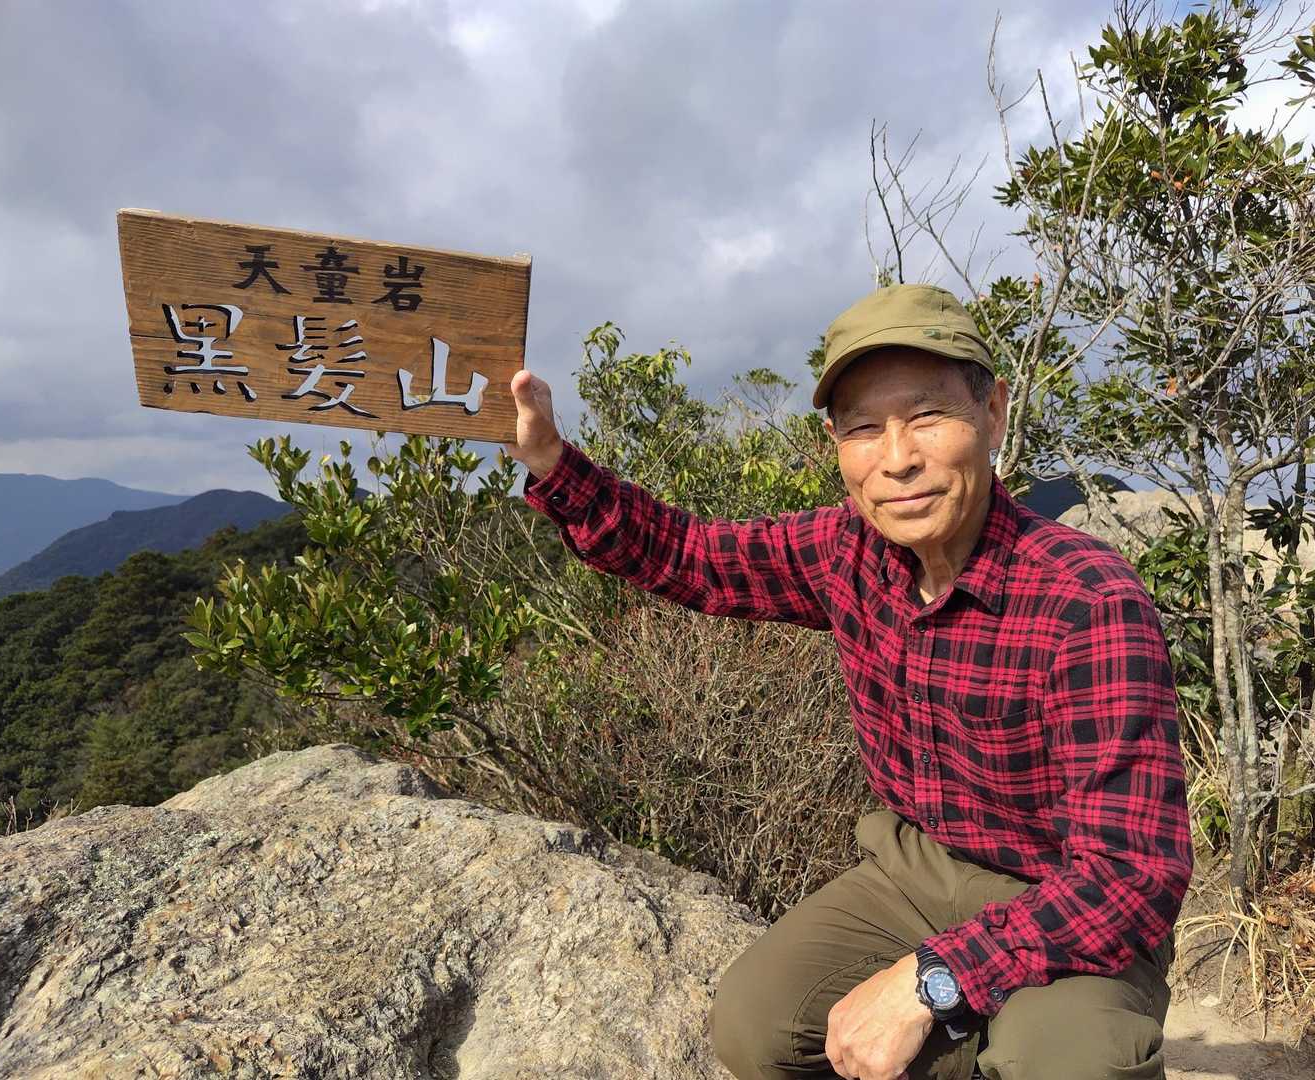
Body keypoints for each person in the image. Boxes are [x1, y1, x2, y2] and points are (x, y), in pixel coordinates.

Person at [504, 283, 1193, 1080]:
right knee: (756, 1025)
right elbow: (691, 556)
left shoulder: (1085, 599)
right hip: (914, 870)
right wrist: (552, 463)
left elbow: (1131, 876)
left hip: (1066, 895)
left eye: (928, 416)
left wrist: (935, 981)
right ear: (836, 444)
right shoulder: (848, 553)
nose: (897, 458)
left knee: (1069, 1064)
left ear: (994, 413)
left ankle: (1008, 1034)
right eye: (865, 428)